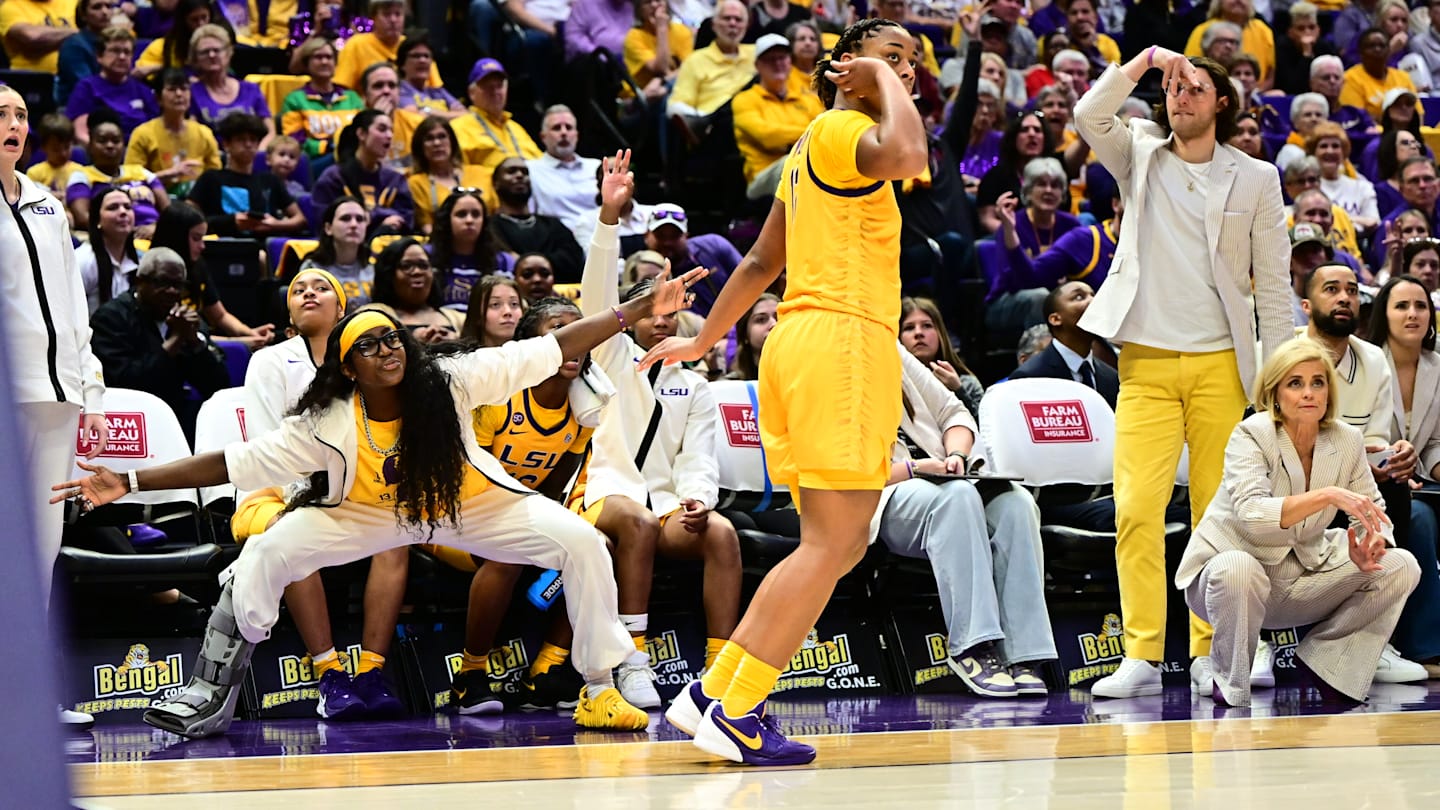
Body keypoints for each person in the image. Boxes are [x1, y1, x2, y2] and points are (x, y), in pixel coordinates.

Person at [58, 265, 706, 740]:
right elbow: (236, 462)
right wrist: (132, 482)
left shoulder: (449, 377)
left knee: (582, 542)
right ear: (347, 367)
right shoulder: (326, 420)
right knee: (268, 550)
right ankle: (211, 687)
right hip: (361, 515)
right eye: (368, 345)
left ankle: (597, 686)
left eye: (392, 338)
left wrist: (631, 308)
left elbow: (549, 347)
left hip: (465, 503)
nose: (387, 349)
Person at [639, 17, 928, 765]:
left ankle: (722, 691)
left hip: (810, 344)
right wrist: (883, 81)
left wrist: (703, 340)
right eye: (886, 55)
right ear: (841, 67)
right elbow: (910, 151)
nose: (901, 70)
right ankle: (727, 704)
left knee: (839, 543)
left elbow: (765, 257)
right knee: (833, 543)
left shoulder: (813, 146)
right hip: (840, 343)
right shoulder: (839, 131)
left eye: (911, 61)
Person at [1075, 48, 1292, 700]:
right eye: (1173, 88)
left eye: (1195, 88)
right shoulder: (1139, 152)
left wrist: (1278, 379)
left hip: (1223, 364)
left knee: (1223, 516)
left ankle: (1215, 649)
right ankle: (1141, 654)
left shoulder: (1254, 177)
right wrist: (1144, 61)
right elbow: (1089, 114)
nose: (1180, 97)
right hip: (1143, 363)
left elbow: (1275, 286)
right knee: (1136, 510)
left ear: (1220, 102)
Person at [1175, 337, 1420, 706]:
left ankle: (1327, 663)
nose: (1308, 393)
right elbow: (1255, 516)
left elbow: (1372, 510)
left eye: (1317, 382)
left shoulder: (1346, 439)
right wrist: (1328, 496)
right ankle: (1229, 682)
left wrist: (1371, 542)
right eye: (1295, 383)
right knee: (1238, 567)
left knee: (1400, 565)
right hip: (1231, 575)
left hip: (1304, 573)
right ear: (1275, 394)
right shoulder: (1251, 434)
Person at [235, 269, 409, 718]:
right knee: (292, 533)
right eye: (298, 290)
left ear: (343, 307)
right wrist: (308, 498)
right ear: (289, 313)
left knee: (396, 535)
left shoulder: (364, 360)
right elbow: (265, 445)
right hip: (272, 491)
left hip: (351, 492)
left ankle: (372, 670)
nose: (309, 292)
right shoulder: (269, 362)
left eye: (321, 286)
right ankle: (329, 673)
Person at [0, 85, 109, 730]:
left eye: (18, 117)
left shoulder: (46, 205)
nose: (12, 125)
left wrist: (89, 393)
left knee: (40, 551)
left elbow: (74, 310)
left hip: (57, 402)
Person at [879, 346, 1057, 697]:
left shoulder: (891, 350)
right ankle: (973, 647)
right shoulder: (823, 363)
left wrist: (956, 455)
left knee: (1015, 504)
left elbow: (953, 412)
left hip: (944, 476)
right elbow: (838, 471)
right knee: (957, 499)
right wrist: (916, 468)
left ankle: (1023, 653)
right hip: (881, 493)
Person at [1368, 275, 1440, 677]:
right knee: (1419, 520)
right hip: (1375, 482)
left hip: (1426, 481)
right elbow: (1354, 435)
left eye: (1420, 306)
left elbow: (1435, 442)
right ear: (1385, 314)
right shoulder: (1366, 360)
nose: (1412, 314)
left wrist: (1433, 467)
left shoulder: (1437, 366)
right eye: (1401, 306)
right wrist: (1392, 469)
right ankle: (1425, 648)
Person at [89, 248, 231, 439]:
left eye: (178, 284)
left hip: (174, 418)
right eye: (162, 282)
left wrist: (194, 342)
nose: (172, 291)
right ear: (140, 281)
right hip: (127, 423)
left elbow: (218, 387)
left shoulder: (184, 320)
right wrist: (175, 341)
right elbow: (126, 382)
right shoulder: (111, 318)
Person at [187, 113, 307, 238]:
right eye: (241, 139)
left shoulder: (270, 180)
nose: (248, 144)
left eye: (253, 140)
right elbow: (188, 218)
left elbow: (300, 219)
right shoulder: (210, 178)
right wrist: (230, 222)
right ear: (226, 144)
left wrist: (275, 224)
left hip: (262, 248)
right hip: (220, 248)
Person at [1011, 280, 1119, 408]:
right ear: (1055, 319)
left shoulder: (1112, 377)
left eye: (1093, 295)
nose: (1093, 301)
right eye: (1079, 297)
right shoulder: (1030, 376)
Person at [312, 110, 415, 235]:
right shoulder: (334, 177)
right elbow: (325, 223)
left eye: (391, 130)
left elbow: (406, 220)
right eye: (382, 129)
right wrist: (379, 219)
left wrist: (373, 219)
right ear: (361, 134)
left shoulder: (396, 179)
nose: (389, 135)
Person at [125, 69, 223, 200]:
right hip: (157, 200)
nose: (179, 94)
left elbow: (216, 176)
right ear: (158, 98)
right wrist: (170, 173)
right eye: (172, 89)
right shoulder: (142, 134)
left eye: (184, 89)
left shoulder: (204, 133)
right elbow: (132, 180)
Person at [490, 157, 584, 282]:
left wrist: (523, 261)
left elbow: (573, 261)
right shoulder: (489, 226)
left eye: (525, 172)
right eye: (511, 171)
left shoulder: (553, 224)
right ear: (496, 183)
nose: (519, 175)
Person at [642, 203, 741, 317]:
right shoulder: (641, 268)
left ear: (686, 236)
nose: (667, 242)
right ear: (646, 236)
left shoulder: (714, 246)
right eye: (660, 236)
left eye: (675, 236)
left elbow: (749, 279)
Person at [186, 25, 275, 148]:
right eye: (204, 52)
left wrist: (256, 153)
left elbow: (270, 132)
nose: (211, 55)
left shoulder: (251, 89)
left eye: (217, 50)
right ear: (195, 59)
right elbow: (192, 136)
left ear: (229, 52)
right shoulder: (191, 92)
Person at [280, 37, 365, 166]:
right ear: (307, 63)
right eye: (318, 57)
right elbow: (295, 140)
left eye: (329, 57)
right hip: (315, 162)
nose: (324, 61)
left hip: (352, 159)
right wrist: (328, 146)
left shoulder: (352, 97)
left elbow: (365, 130)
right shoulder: (295, 99)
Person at [66, 27, 158, 142]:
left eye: (127, 52)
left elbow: (156, 130)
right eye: (115, 51)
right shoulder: (87, 88)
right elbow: (81, 133)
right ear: (99, 56)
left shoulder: (142, 90)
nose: (122, 57)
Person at [667, 0, 756, 118]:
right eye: (727, 18)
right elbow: (675, 107)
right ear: (714, 24)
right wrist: (704, 118)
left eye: (738, 19)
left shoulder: (758, 54)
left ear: (747, 26)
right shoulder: (695, 60)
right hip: (715, 126)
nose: (733, 24)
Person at [899, 297, 985, 419]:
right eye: (909, 328)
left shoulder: (967, 384)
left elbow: (985, 433)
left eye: (927, 326)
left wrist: (958, 391)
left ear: (940, 334)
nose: (918, 333)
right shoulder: (890, 385)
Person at [369, 236, 465, 342]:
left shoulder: (459, 320)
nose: (417, 272)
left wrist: (458, 342)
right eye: (406, 266)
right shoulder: (371, 316)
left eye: (423, 265)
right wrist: (412, 343)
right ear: (389, 275)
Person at [526, 105, 603, 233]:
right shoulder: (531, 169)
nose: (564, 133)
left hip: (602, 237)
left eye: (569, 127)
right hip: (559, 242)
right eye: (556, 128)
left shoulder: (596, 166)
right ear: (543, 137)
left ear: (577, 135)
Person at [429, 188, 511, 308]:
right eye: (461, 214)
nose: (469, 220)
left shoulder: (503, 262)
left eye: (476, 214)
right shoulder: (426, 257)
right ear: (447, 220)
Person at [334, 0, 440, 91]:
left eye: (398, 14)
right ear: (373, 18)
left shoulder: (415, 47)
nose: (393, 20)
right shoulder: (356, 45)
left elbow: (437, 88)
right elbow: (343, 89)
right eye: (386, 14)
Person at [406, 116, 488, 234]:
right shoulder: (416, 183)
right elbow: (427, 227)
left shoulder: (480, 173)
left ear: (452, 142)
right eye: (429, 139)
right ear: (421, 147)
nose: (437, 143)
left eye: (442, 136)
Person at [298, 196, 372, 312]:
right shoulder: (312, 269)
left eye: (360, 219)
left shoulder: (374, 267)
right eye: (345, 218)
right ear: (328, 228)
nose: (354, 224)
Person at [75, 185, 140, 315]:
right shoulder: (83, 261)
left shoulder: (139, 259)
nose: (123, 212)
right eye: (113, 207)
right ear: (97, 220)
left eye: (127, 207)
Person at [459, 275, 523, 347]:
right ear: (477, 315)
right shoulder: (462, 357)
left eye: (514, 304)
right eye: (495, 304)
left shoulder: (533, 354)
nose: (508, 312)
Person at [727, 293, 779, 381]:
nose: (774, 324)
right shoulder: (732, 385)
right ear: (745, 335)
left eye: (779, 317)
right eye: (761, 319)